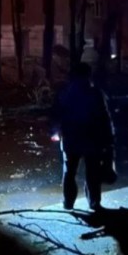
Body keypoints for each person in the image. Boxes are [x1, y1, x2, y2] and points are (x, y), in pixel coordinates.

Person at [51, 62, 115, 210]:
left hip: (71, 137)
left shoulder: (65, 93)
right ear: (88, 75)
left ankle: (68, 203)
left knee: (70, 172)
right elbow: (105, 118)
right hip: (91, 137)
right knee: (92, 171)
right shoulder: (95, 93)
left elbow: (56, 115)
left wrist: (55, 131)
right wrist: (109, 140)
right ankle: (94, 202)